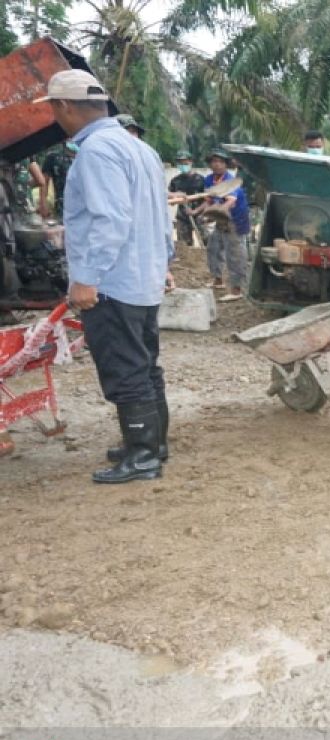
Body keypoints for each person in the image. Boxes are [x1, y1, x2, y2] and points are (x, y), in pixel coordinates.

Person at [36, 70, 171, 483]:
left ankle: (143, 455)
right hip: (141, 278)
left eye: (54, 109)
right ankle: (150, 443)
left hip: (114, 283)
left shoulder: (95, 152)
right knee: (146, 365)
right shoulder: (138, 147)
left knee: (126, 369)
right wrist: (164, 264)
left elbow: (109, 220)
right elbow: (161, 215)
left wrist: (86, 279)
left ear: (65, 106)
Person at [196, 148, 250, 301]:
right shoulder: (209, 180)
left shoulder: (231, 181)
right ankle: (217, 280)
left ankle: (237, 288)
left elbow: (230, 202)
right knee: (213, 248)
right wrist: (197, 212)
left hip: (235, 220)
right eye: (214, 161)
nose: (217, 164)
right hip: (221, 219)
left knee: (234, 254)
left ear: (226, 164)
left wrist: (215, 213)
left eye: (220, 161)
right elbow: (208, 200)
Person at [167, 149, 206, 247]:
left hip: (200, 216)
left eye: (185, 162)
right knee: (184, 246)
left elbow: (208, 200)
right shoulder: (175, 181)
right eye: (180, 162)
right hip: (182, 217)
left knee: (206, 243)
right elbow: (170, 200)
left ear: (191, 162)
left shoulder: (200, 180)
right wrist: (175, 196)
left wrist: (196, 211)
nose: (183, 165)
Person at [39, 142, 76, 218]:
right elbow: (44, 181)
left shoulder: (89, 152)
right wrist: (43, 204)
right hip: (63, 206)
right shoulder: (54, 156)